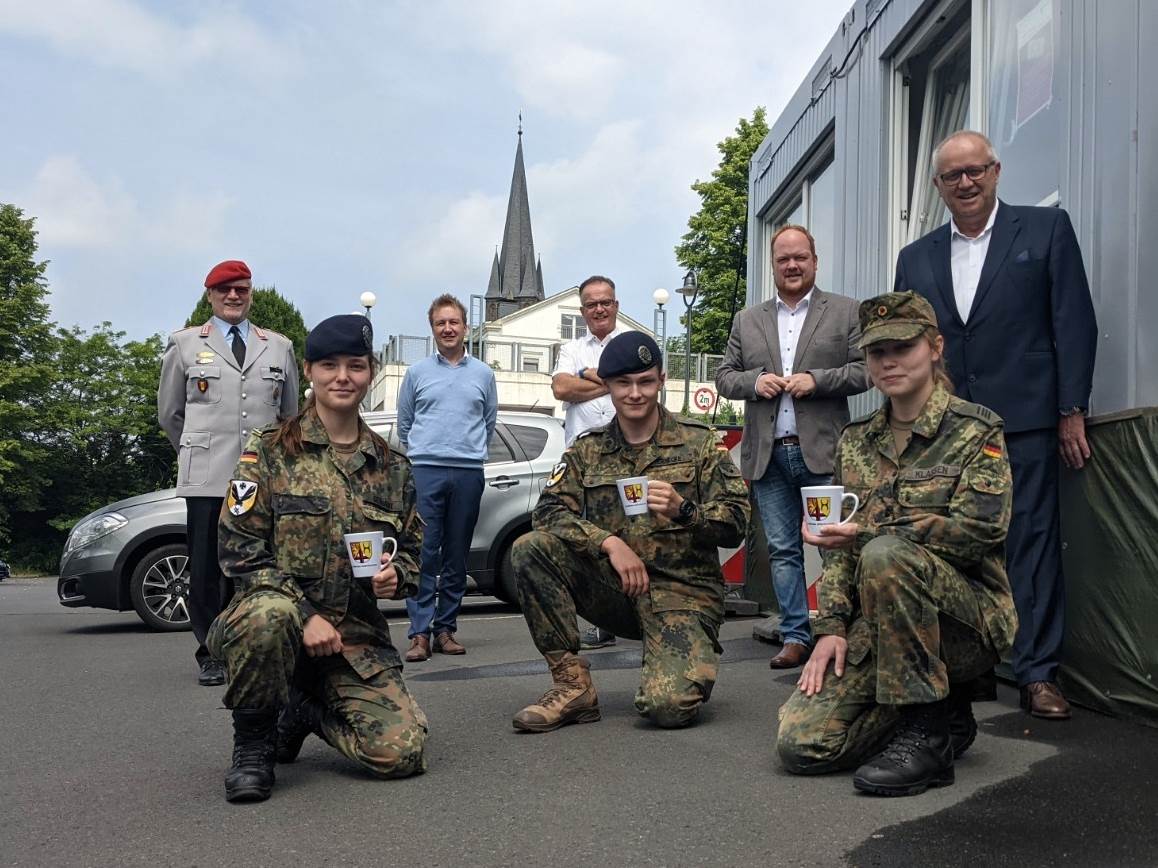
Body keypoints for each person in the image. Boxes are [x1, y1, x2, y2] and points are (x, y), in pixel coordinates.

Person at [776, 292, 1016, 797]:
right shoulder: (855, 441)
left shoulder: (977, 430)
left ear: (935, 347)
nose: (888, 361)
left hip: (967, 621)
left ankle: (926, 739)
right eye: (875, 352)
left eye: (902, 347)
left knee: (886, 553)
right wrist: (832, 628)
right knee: (802, 744)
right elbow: (838, 549)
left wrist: (871, 532)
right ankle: (947, 717)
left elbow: (980, 533)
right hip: (884, 622)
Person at [893, 130, 1097, 720]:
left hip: (1028, 417)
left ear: (996, 170)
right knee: (952, 545)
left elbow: (1073, 322)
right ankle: (967, 672)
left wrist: (1071, 409)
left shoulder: (1044, 230)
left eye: (975, 170)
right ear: (937, 186)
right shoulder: (917, 257)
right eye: (953, 175)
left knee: (1031, 543)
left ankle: (1038, 675)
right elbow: (908, 348)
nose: (965, 182)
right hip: (947, 429)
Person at [208, 314, 428, 803]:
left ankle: (305, 710)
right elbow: (238, 549)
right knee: (269, 614)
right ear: (308, 371)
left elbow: (413, 552)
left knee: (400, 754)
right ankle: (254, 745)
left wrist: (398, 577)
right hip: (275, 623)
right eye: (329, 365)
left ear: (371, 372)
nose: (342, 377)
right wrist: (304, 616)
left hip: (353, 636)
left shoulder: (392, 467)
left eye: (355, 365)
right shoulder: (268, 451)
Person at [510, 331, 750, 731]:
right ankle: (572, 687)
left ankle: (675, 658)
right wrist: (607, 542)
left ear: (662, 379)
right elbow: (548, 512)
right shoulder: (587, 449)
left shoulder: (700, 444)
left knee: (667, 709)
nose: (635, 393)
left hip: (683, 595)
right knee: (531, 548)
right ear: (607, 386)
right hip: (618, 589)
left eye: (645, 381)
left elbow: (736, 524)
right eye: (623, 383)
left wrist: (685, 510)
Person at [716, 225, 870, 670]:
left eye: (800, 257)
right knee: (783, 549)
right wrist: (755, 381)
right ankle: (795, 635)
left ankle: (842, 631)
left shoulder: (844, 312)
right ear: (773, 264)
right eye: (783, 258)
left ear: (815, 260)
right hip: (767, 453)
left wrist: (817, 380)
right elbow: (725, 377)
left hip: (822, 452)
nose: (792, 265)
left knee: (833, 545)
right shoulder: (748, 320)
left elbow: (866, 372)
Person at [157, 259, 298, 686]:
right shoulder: (183, 345)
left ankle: (256, 645)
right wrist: (199, 448)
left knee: (257, 565)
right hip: (207, 476)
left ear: (250, 293)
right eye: (225, 290)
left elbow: (288, 414)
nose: (233, 296)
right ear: (210, 295)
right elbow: (170, 415)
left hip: (261, 479)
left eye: (241, 289)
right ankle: (210, 652)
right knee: (204, 568)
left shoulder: (278, 346)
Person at [397, 294, 498, 661]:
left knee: (457, 554)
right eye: (441, 323)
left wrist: (466, 451)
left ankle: (446, 630)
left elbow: (488, 422)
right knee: (424, 553)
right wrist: (427, 451)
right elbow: (405, 425)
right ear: (433, 329)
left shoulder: (484, 375)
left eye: (453, 322)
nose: (448, 328)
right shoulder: (416, 373)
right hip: (426, 470)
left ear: (465, 327)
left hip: (469, 471)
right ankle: (419, 633)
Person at [551, 275, 627, 650]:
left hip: (625, 452)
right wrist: (611, 381)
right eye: (592, 304)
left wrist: (589, 376)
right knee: (590, 538)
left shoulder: (630, 344)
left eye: (606, 302)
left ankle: (635, 614)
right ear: (582, 311)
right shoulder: (570, 348)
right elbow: (561, 389)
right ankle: (601, 622)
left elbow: (639, 385)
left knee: (631, 533)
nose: (599, 308)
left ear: (616, 305)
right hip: (582, 456)